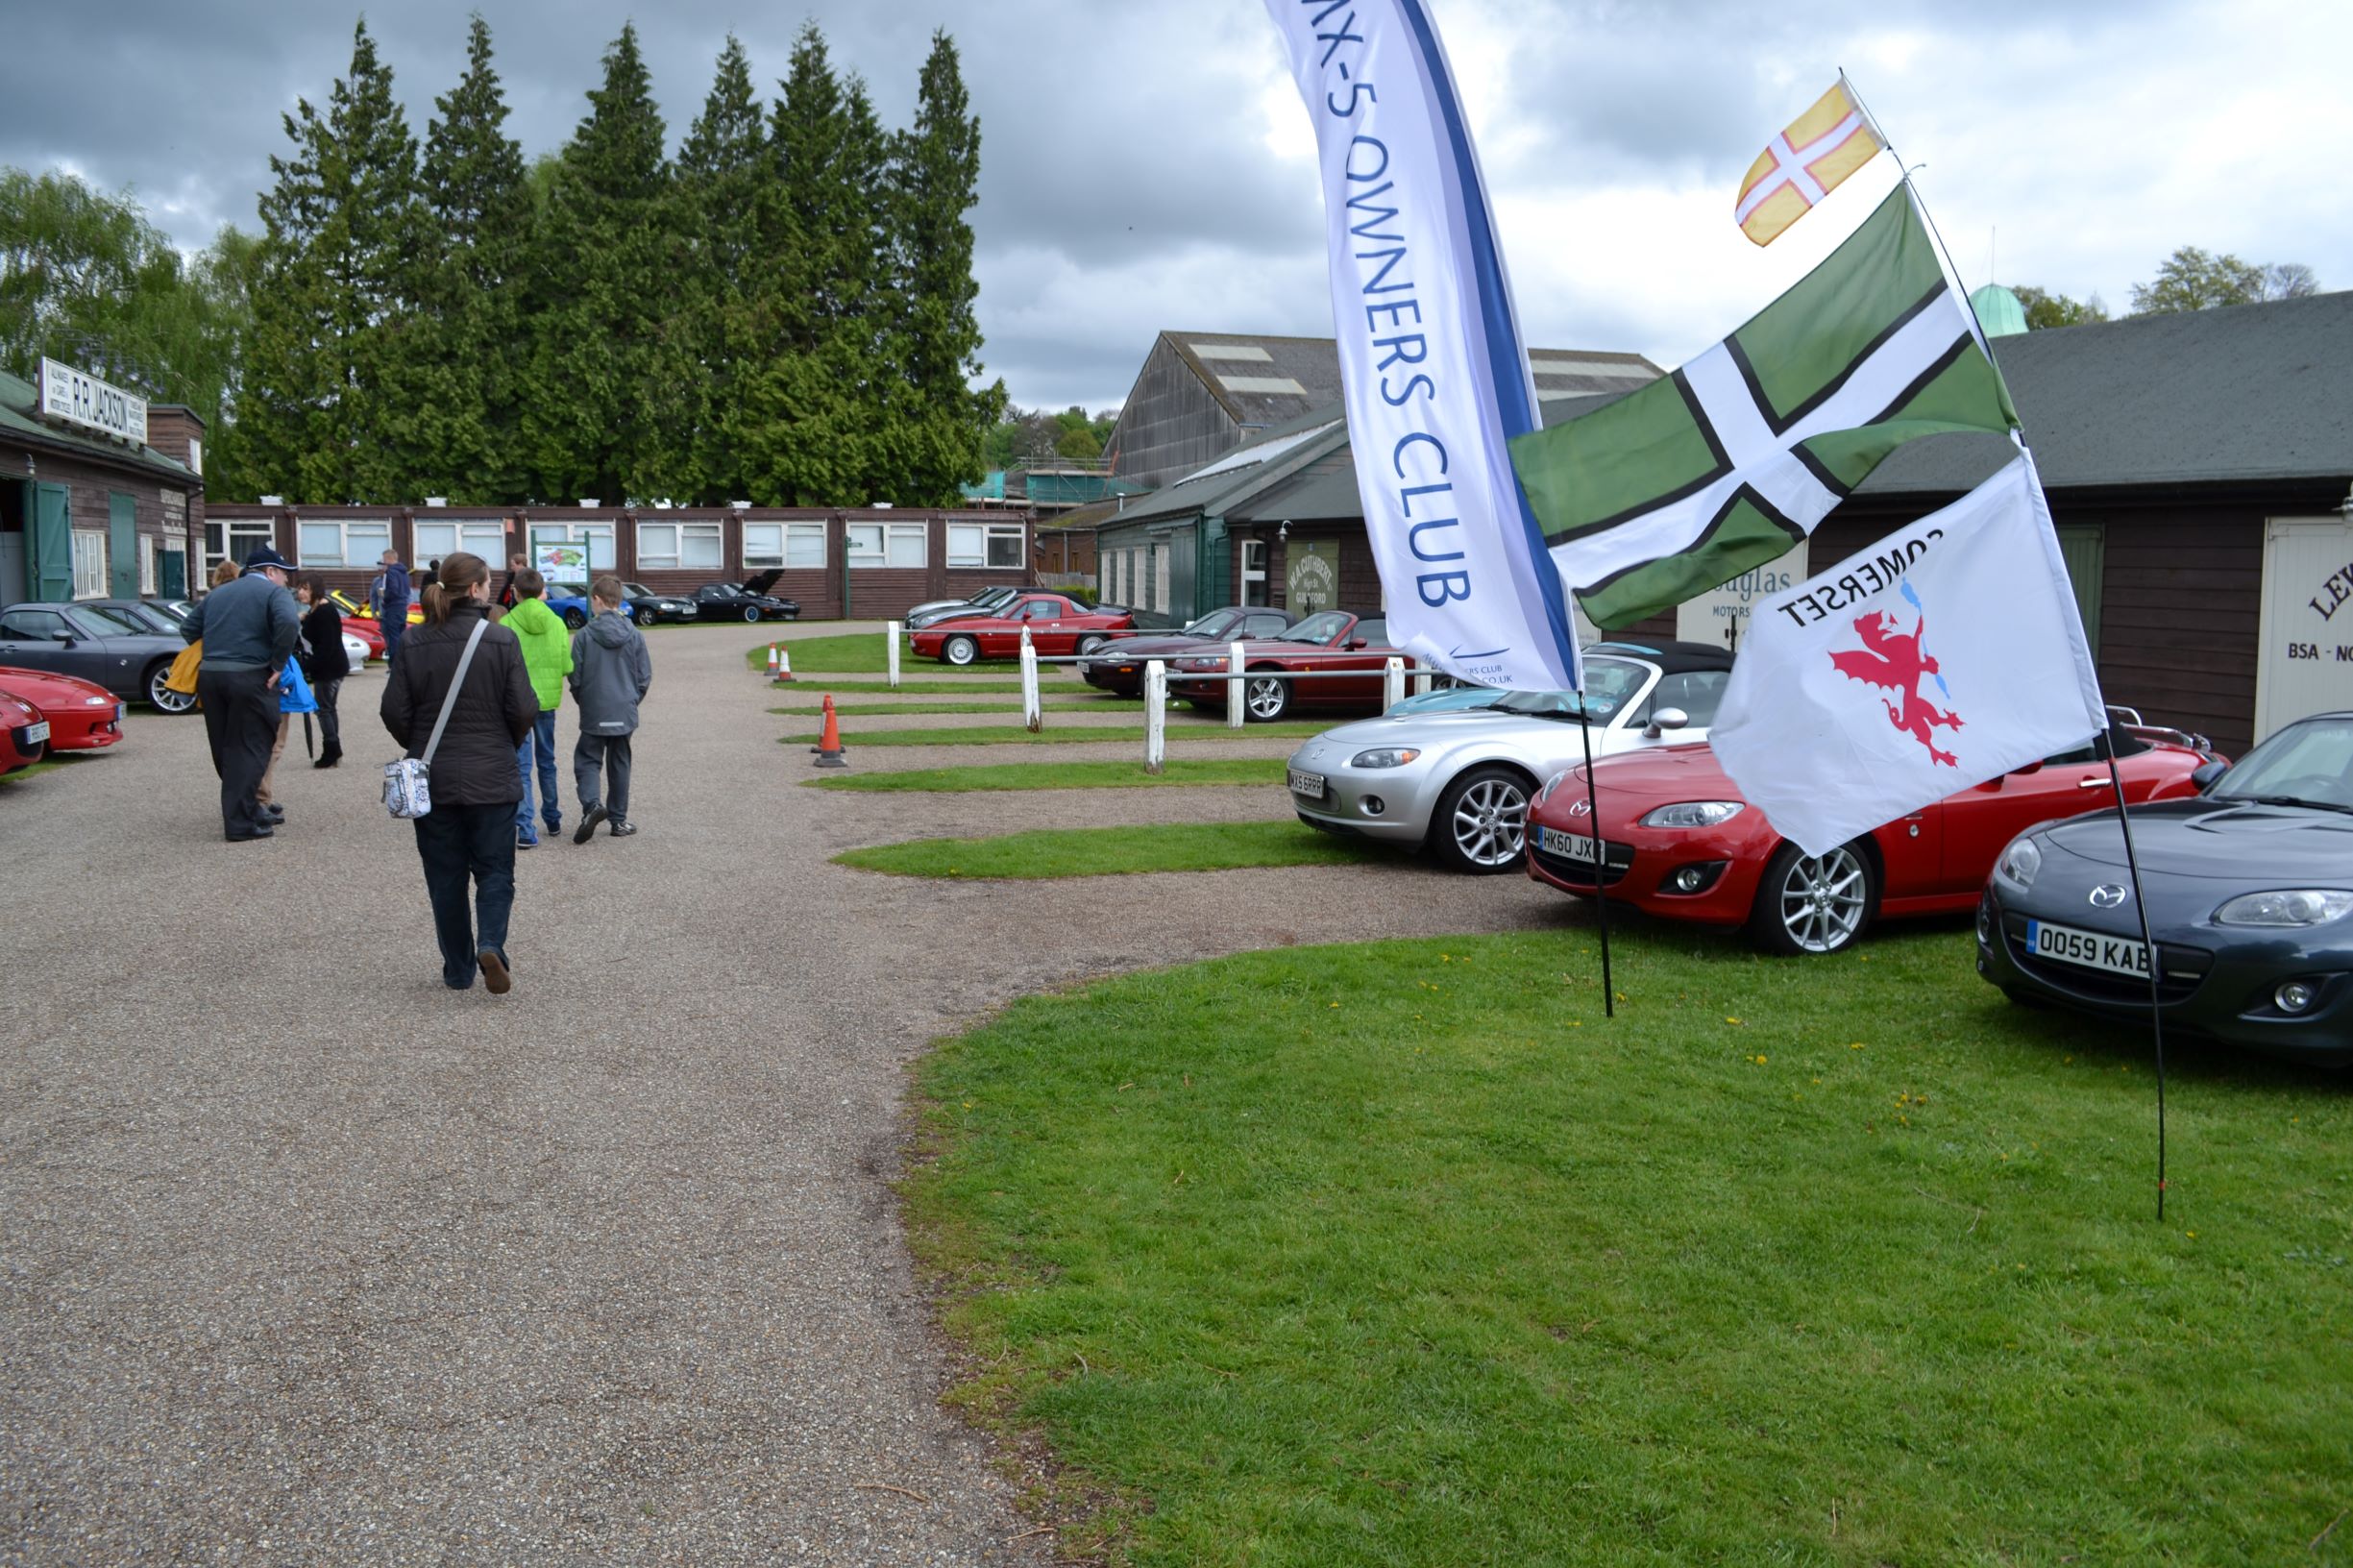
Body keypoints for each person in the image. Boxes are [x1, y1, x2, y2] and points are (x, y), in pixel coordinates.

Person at [380, 551, 539, 993]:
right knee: (494, 871)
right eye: (487, 583)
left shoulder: (413, 641)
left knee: (444, 876)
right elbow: (524, 708)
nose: (490, 590)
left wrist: (420, 742)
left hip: (435, 778)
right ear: (474, 589)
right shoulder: (500, 639)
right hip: (493, 777)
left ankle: (456, 969)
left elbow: (393, 710)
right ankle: (491, 943)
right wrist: (501, 743)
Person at [181, 545, 300, 842]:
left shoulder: (218, 593)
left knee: (225, 746)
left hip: (211, 676)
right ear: (270, 572)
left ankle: (248, 809)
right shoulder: (274, 594)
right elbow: (289, 623)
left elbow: (188, 628)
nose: (286, 580)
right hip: (250, 676)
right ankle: (240, 823)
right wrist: (277, 663)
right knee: (252, 746)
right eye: (283, 574)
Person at [568, 575, 651, 843]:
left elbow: (576, 676)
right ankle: (618, 820)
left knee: (588, 760)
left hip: (595, 707)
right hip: (623, 708)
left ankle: (592, 806)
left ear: (597, 600)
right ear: (619, 601)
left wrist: (585, 700)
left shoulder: (584, 636)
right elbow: (644, 677)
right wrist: (630, 700)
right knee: (620, 762)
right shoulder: (634, 635)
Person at [501, 568, 573, 847]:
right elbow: (567, 666)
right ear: (542, 591)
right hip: (546, 701)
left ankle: (525, 828)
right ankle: (552, 817)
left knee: (521, 765)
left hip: (517, 702)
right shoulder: (556, 623)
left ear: (515, 592)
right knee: (547, 761)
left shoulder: (506, 623)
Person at [295, 574, 349, 769]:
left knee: (323, 709)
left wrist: (304, 668)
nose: (301, 592)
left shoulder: (324, 612)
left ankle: (331, 748)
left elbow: (327, 646)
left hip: (329, 669)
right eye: (300, 588)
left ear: (316, 590)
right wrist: (305, 618)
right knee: (328, 708)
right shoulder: (316, 610)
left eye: (305, 588)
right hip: (330, 666)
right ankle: (334, 747)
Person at [370, 550, 410, 668]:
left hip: (392, 608)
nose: (382, 563)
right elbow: (407, 591)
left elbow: (393, 590)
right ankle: (404, 664)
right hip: (402, 607)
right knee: (401, 636)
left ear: (388, 559)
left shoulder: (391, 571)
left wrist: (385, 597)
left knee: (393, 639)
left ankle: (394, 666)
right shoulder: (404, 572)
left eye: (383, 560)